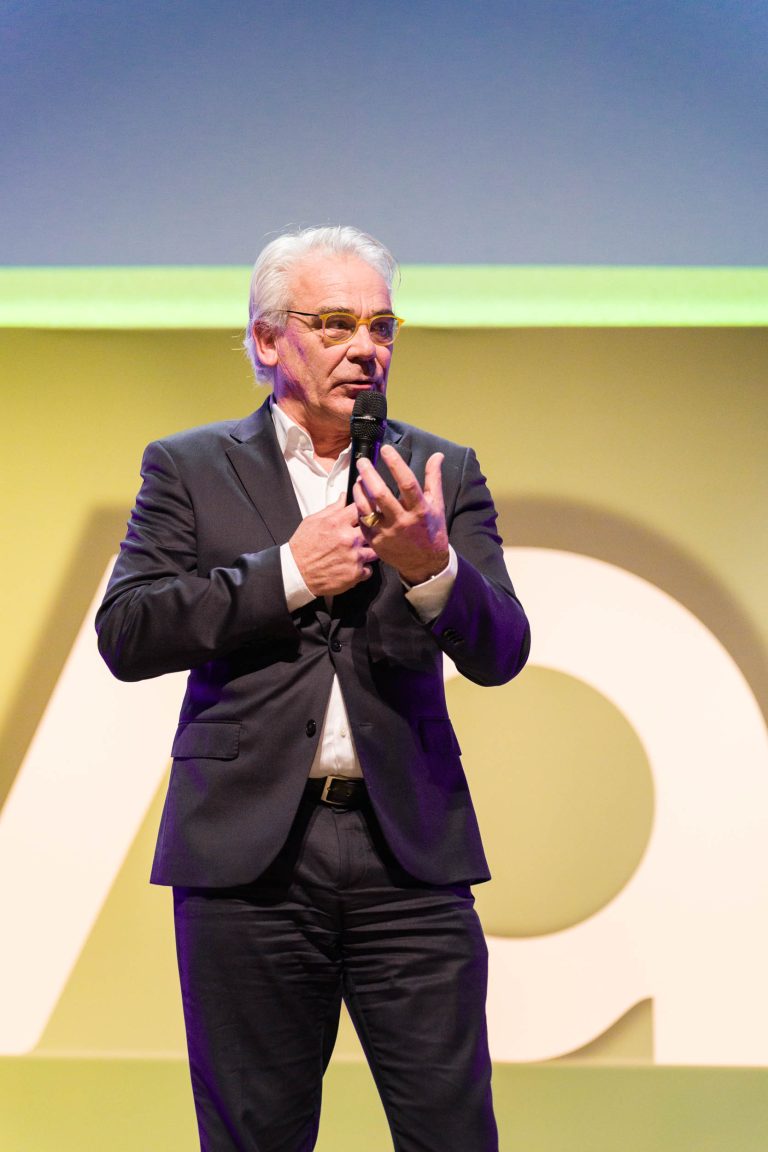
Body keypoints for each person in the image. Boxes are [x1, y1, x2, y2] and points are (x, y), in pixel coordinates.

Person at [96, 225, 530, 1152]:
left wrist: (433, 569)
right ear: (266, 339)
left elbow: (502, 650)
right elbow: (128, 632)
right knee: (254, 1135)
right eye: (334, 323)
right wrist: (286, 573)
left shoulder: (440, 471)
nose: (365, 347)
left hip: (408, 856)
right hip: (248, 864)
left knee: (453, 1132)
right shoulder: (188, 467)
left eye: (381, 325)